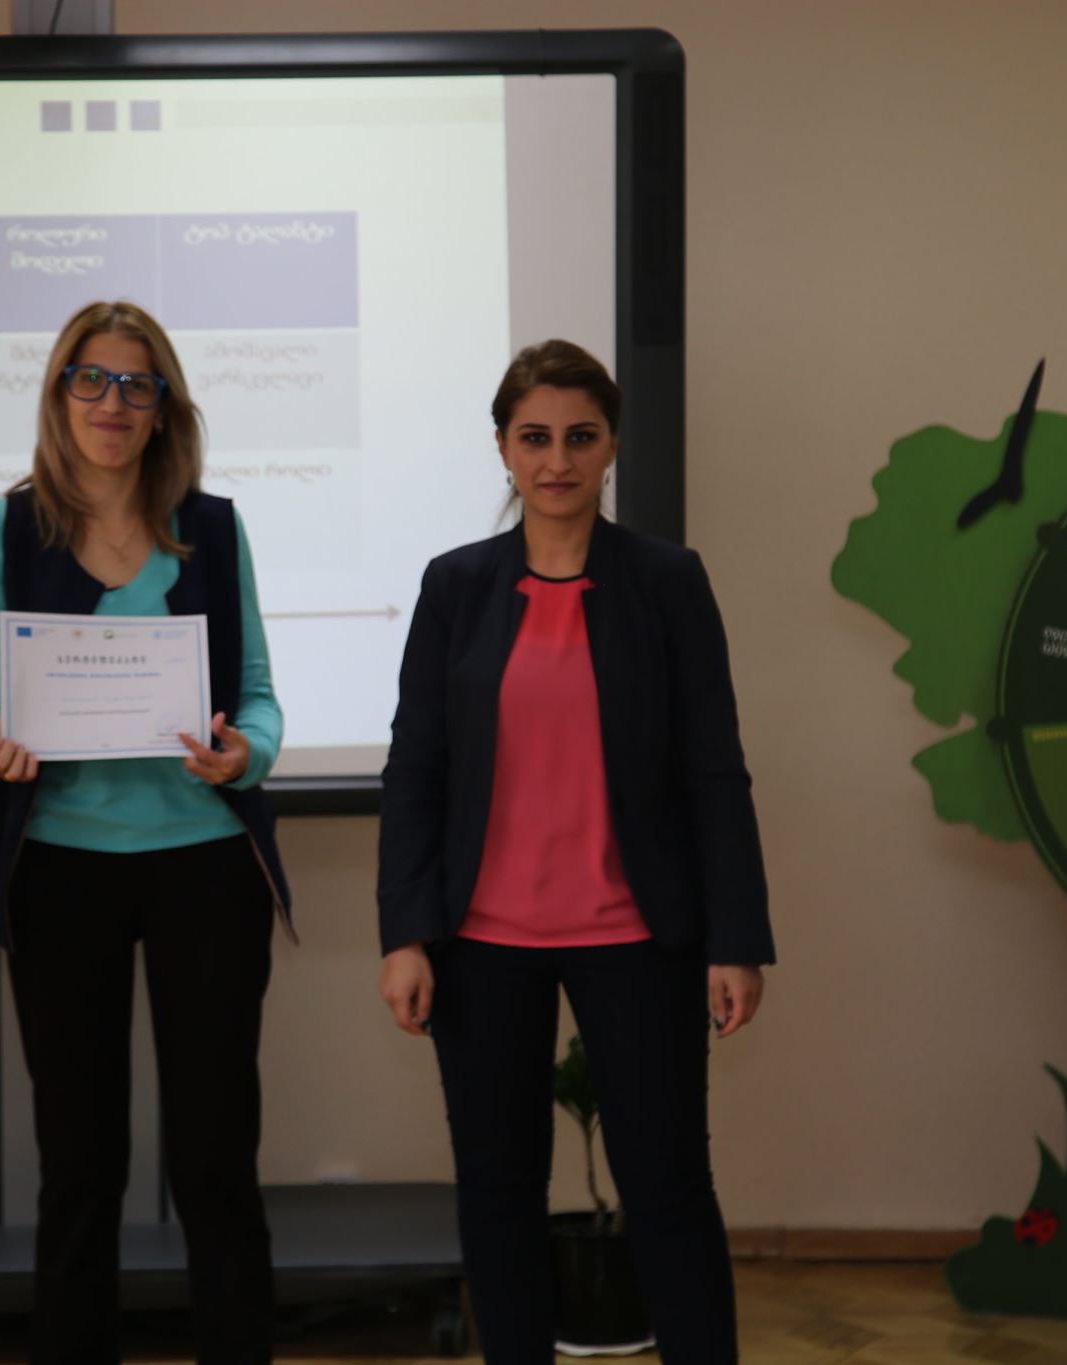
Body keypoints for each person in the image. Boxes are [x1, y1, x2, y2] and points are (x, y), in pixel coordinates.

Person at [376, 340, 773, 1365]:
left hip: (634, 936)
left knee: (668, 1188)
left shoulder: (667, 581)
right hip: (479, 942)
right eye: (535, 437)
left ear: (610, 447)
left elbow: (714, 769)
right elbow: (415, 769)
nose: (557, 461)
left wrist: (736, 939)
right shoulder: (455, 586)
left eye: (579, 437)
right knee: (497, 1190)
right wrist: (405, 934)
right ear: (503, 447)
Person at [0, 300, 289, 1365]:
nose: (112, 403)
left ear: (163, 407)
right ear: (59, 395)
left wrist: (244, 755)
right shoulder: (3, 530)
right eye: (90, 379)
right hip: (59, 872)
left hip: (204, 867)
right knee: (80, 1165)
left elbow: (259, 697)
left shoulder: (214, 527)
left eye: (137, 384)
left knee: (216, 1160)